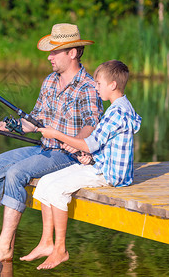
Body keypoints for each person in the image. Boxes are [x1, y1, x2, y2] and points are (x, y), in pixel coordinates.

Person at [0, 23, 104, 268]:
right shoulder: (49, 81)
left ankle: (3, 247)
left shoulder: (88, 87)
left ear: (73, 53)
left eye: (55, 52)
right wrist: (4, 125)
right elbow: (33, 120)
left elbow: (92, 127)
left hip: (69, 156)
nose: (49, 57)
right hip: (44, 148)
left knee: (16, 173)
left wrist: (69, 140)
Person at [25, 60, 142, 270]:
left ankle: (60, 250)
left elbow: (90, 143)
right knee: (44, 182)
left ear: (112, 85)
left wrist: (56, 134)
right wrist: (91, 157)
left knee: (57, 190)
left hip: (110, 174)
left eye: (98, 83)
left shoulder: (117, 112)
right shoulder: (120, 106)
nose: (95, 87)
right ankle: (46, 243)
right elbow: (101, 145)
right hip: (101, 164)